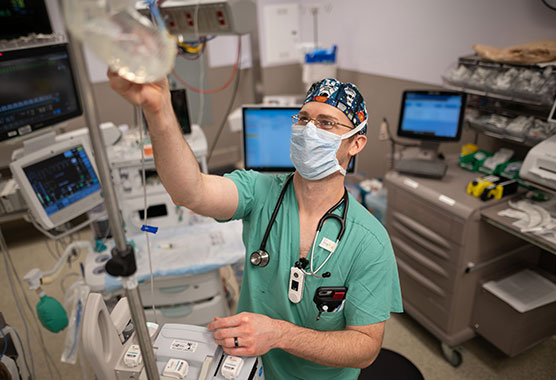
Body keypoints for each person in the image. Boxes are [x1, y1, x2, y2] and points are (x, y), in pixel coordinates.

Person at [108, 74, 403, 379]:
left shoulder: (369, 240)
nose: (309, 130)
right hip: (247, 366)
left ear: (356, 143)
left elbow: (365, 348)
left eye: (326, 123)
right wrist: (159, 112)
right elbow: (189, 192)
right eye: (303, 119)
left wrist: (280, 334)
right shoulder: (259, 191)